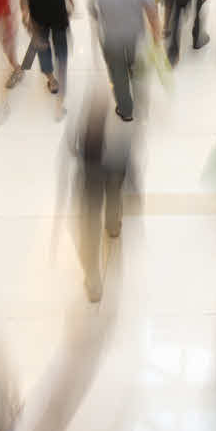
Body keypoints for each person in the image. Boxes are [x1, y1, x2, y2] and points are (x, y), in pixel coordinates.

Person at [64, 94, 134, 301]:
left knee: (89, 229)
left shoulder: (81, 120)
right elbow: (129, 148)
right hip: (115, 170)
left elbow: (70, 146)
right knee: (113, 200)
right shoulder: (122, 119)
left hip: (89, 176)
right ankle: (113, 227)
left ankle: (94, 283)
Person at [89, 0, 162, 122]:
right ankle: (141, 101)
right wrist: (156, 36)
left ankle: (126, 110)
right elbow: (152, 11)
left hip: (111, 39)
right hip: (135, 38)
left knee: (117, 75)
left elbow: (93, 12)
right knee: (137, 69)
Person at [23, 0, 73, 115]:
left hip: (40, 23)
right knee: (62, 52)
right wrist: (71, 8)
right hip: (59, 21)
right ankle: (61, 77)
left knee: (44, 52)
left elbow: (24, 10)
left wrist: (29, 26)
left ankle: (52, 82)